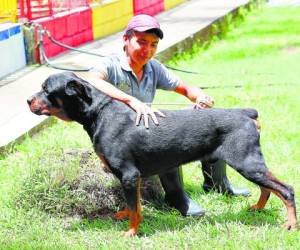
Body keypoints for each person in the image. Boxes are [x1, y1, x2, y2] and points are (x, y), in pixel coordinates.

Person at [77, 14, 250, 216]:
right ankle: (177, 198)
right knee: (167, 136)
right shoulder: (111, 65)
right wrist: (131, 101)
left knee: (209, 121)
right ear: (126, 39)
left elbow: (184, 88)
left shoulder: (153, 67)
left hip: (143, 131)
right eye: (141, 42)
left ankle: (217, 183)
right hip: (118, 140)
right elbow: (91, 80)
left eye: (153, 44)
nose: (147, 50)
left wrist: (199, 96)